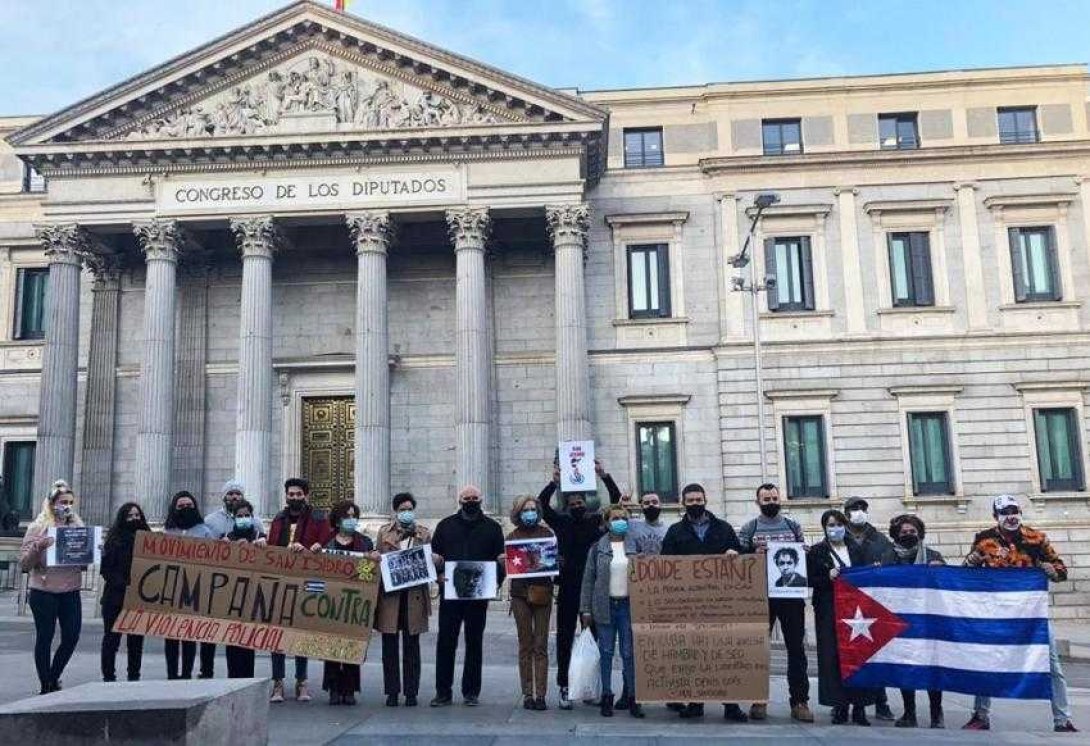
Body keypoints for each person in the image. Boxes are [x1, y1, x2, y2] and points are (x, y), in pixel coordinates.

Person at [962, 495, 1078, 733]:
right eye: (1005, 512)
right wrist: (971, 561)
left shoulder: (1037, 538)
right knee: (986, 660)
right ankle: (980, 716)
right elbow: (968, 572)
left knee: (1052, 664)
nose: (1011, 516)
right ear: (996, 517)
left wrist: (1051, 570)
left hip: (1030, 615)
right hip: (995, 611)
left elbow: (1061, 569)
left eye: (1015, 511)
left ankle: (1062, 719)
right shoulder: (984, 540)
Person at [660, 482, 747, 722]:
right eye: (691, 500)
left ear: (706, 500)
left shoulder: (724, 528)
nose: (695, 504)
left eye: (699, 500)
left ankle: (731, 705)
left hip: (721, 604)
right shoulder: (674, 532)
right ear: (683, 503)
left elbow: (740, 555)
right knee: (693, 654)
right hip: (689, 605)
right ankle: (695, 702)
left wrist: (734, 553)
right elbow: (665, 565)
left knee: (724, 654)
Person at [538, 458, 621, 709]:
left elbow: (616, 501)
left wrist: (604, 476)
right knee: (564, 637)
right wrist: (553, 483)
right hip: (568, 587)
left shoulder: (596, 520)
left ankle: (590, 687)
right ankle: (564, 686)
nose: (576, 505)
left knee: (595, 639)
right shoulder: (561, 521)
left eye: (580, 502)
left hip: (593, 589)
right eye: (572, 503)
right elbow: (542, 505)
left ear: (586, 503)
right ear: (567, 505)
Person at [737, 483, 813, 723]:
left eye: (774, 498)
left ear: (780, 499)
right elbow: (738, 558)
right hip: (760, 597)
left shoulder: (793, 526)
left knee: (796, 650)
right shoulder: (750, 528)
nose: (771, 501)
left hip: (791, 598)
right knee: (758, 650)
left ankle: (800, 702)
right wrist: (751, 552)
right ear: (757, 501)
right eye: (766, 498)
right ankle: (758, 699)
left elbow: (804, 557)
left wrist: (805, 552)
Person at [429, 485, 505, 707]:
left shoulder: (492, 528)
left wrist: (494, 583)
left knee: (475, 642)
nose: (471, 501)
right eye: (467, 498)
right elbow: (435, 557)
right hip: (451, 594)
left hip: (477, 596)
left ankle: (471, 691)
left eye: (474, 498)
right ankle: (443, 692)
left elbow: (501, 561)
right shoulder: (445, 526)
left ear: (481, 500)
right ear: (460, 501)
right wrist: (438, 575)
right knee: (446, 642)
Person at [808, 509, 879, 725]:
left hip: (857, 613)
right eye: (830, 525)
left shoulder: (857, 549)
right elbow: (809, 579)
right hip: (829, 611)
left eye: (839, 524)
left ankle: (860, 707)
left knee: (858, 658)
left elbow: (867, 573)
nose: (835, 529)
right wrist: (826, 576)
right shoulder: (817, 552)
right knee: (833, 659)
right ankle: (839, 705)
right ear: (824, 528)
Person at [267, 477, 332, 703]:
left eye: (298, 494)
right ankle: (277, 683)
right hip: (281, 582)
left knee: (301, 635)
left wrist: (315, 547)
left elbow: (327, 542)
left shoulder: (318, 518)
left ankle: (302, 682)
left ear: (306, 495)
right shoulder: (278, 518)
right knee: (277, 637)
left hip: (306, 583)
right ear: (286, 495)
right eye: (291, 494)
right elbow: (271, 547)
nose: (294, 497)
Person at [878, 514, 946, 728]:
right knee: (905, 667)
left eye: (912, 532)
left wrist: (940, 569)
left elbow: (949, 585)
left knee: (932, 668)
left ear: (920, 533)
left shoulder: (933, 556)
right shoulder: (888, 557)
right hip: (901, 621)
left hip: (929, 621)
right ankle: (910, 713)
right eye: (904, 532)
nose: (908, 535)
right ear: (896, 535)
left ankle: (937, 714)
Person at [19, 480, 85, 694]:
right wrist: (39, 546)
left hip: (71, 591)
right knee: (45, 636)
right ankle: (45, 683)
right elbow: (24, 564)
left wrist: (91, 551)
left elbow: (83, 564)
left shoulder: (77, 527)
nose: (66, 506)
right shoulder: (37, 527)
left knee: (71, 636)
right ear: (51, 503)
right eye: (62, 502)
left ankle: (54, 676)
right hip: (44, 592)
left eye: (69, 502)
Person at [580, 505, 643, 718]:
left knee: (628, 653)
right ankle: (607, 695)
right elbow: (588, 580)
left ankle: (633, 696)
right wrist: (585, 609)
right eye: (615, 518)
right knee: (605, 652)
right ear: (607, 522)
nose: (620, 521)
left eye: (623, 517)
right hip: (605, 605)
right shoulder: (597, 547)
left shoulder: (636, 545)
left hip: (628, 606)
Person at [375, 493, 433, 708]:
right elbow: (378, 559)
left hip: (413, 596)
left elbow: (430, 560)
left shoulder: (423, 534)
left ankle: (411, 692)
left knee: (412, 647)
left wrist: (434, 560)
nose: (406, 512)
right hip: (391, 598)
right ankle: (391, 691)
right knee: (389, 647)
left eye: (409, 508)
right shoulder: (384, 533)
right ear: (395, 511)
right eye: (402, 509)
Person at [842, 495, 895, 721]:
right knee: (848, 656)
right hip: (847, 604)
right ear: (846, 514)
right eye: (855, 508)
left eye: (863, 508)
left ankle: (881, 702)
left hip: (874, 604)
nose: (859, 512)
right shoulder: (839, 538)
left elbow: (890, 564)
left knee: (876, 655)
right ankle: (843, 703)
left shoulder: (879, 539)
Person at [322, 501, 375, 705]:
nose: (351, 520)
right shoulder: (327, 542)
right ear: (337, 520)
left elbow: (369, 572)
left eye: (354, 516)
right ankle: (334, 688)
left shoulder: (365, 543)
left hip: (356, 601)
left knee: (352, 647)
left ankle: (350, 688)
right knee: (333, 647)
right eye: (346, 516)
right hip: (333, 601)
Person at [506, 495, 556, 711]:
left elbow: (553, 561)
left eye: (533, 509)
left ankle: (542, 694)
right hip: (519, 595)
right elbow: (509, 565)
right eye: (525, 510)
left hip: (543, 593)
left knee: (541, 645)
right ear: (518, 513)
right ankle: (527, 693)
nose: (530, 513)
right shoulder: (512, 536)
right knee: (525, 644)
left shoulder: (547, 534)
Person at [162, 490, 217, 680]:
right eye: (181, 506)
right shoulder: (166, 532)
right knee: (170, 635)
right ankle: (171, 673)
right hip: (171, 590)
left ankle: (186, 673)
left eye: (188, 506)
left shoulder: (205, 532)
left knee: (189, 636)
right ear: (174, 509)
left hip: (195, 590)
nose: (185, 509)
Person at [100, 502, 150, 683]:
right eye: (130, 516)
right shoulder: (113, 541)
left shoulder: (148, 540)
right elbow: (106, 570)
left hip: (139, 598)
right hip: (115, 597)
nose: (134, 519)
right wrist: (124, 585)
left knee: (136, 642)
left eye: (137, 516)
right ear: (123, 518)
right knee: (111, 640)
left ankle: (134, 675)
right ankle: (108, 676)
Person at [222, 499, 265, 678]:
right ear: (233, 518)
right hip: (231, 596)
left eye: (247, 515)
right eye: (240, 516)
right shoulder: (227, 538)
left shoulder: (259, 537)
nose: (243, 518)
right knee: (232, 640)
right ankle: (233, 676)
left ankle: (248, 677)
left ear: (252, 517)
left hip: (252, 596)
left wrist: (262, 547)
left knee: (249, 640)